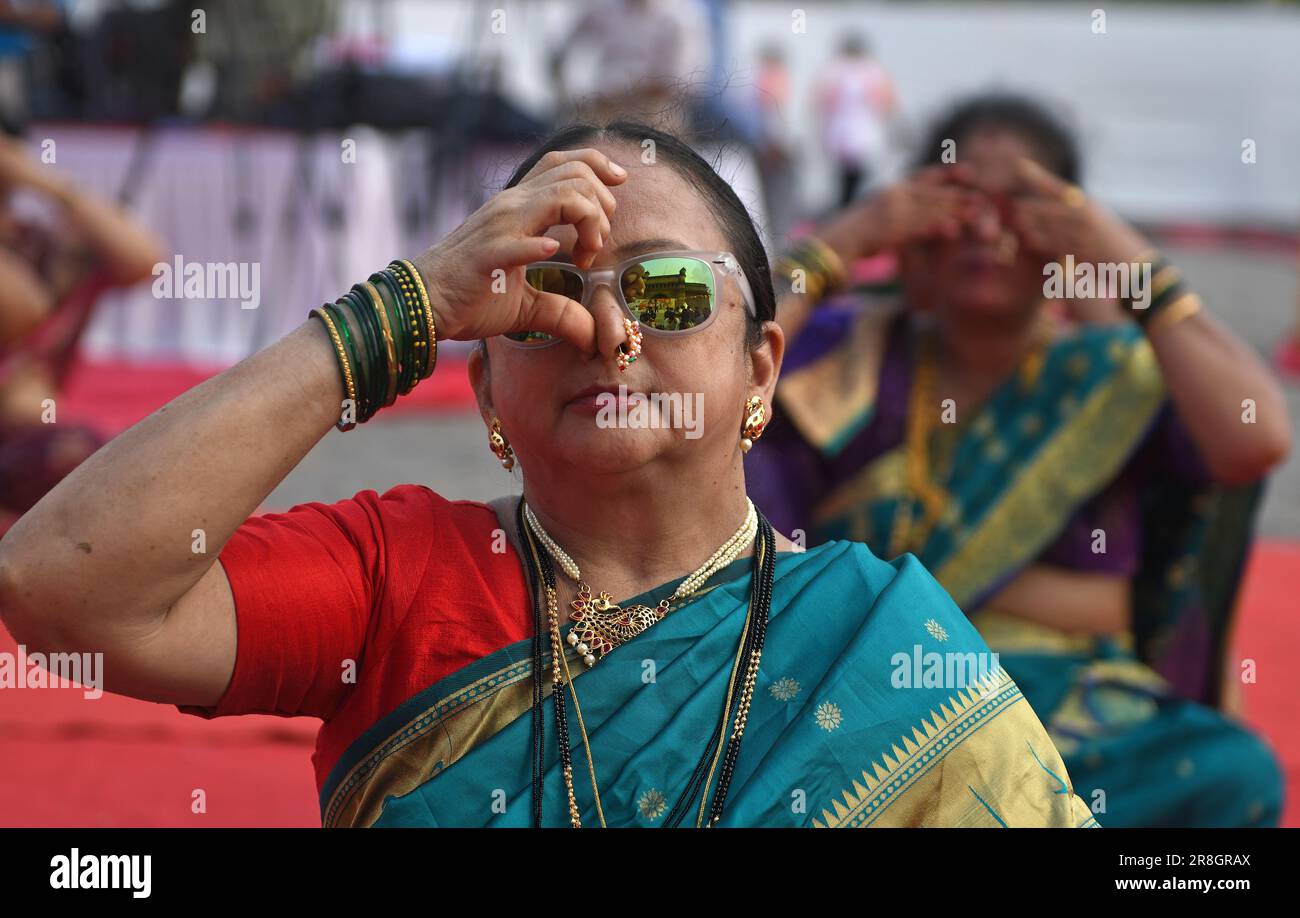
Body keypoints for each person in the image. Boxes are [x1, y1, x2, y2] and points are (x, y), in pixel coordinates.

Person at [0, 121, 1097, 829]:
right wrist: (405, 306)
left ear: (760, 367)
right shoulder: (396, 578)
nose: (608, 329)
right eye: (545, 298)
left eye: (668, 291)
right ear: (484, 391)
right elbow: (59, 585)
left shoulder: (873, 638)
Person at [747, 93, 1291, 827]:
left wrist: (1124, 258)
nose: (985, 229)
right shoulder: (848, 357)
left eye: (1018, 207)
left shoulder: (1109, 378)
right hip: (882, 691)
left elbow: (1256, 437)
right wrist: (844, 239)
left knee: (1231, 774)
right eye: (961, 202)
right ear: (914, 222)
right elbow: (723, 375)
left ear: (1068, 231)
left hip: (1072, 713)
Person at [0, 131, 163, 533]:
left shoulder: (39, 243)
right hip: (34, 448)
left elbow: (145, 259)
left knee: (163, 464)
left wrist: (45, 182)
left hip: (46, 443)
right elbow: (26, 309)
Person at [814, 34, 897, 208]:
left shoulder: (834, 70)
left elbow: (821, 103)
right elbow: (888, 103)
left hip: (841, 136)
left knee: (846, 183)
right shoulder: (872, 70)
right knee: (857, 183)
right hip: (862, 137)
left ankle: (847, 209)